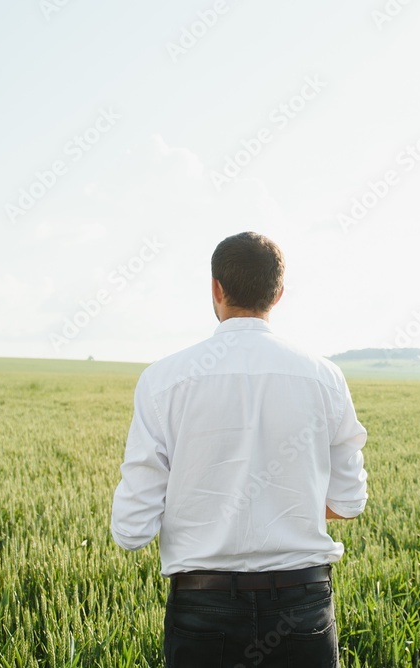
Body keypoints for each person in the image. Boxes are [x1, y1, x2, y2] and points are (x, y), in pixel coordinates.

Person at [110, 231, 369, 667]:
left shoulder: (163, 379)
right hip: (302, 606)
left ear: (216, 288)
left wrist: (205, 501)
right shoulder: (325, 378)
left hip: (202, 609)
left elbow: (131, 530)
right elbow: (349, 502)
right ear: (279, 293)